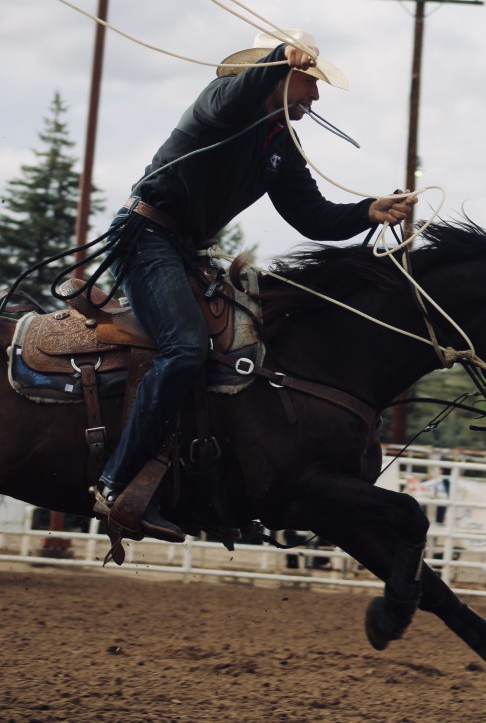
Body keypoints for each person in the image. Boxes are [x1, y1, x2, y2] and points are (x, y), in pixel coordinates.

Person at [91, 29, 415, 539]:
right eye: (309, 82)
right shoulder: (220, 105)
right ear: (279, 77)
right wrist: (280, 56)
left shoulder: (280, 145)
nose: (316, 95)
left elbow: (312, 217)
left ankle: (200, 481)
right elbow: (240, 93)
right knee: (184, 347)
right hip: (146, 236)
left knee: (237, 348)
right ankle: (116, 483)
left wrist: (368, 211)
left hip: (181, 251)